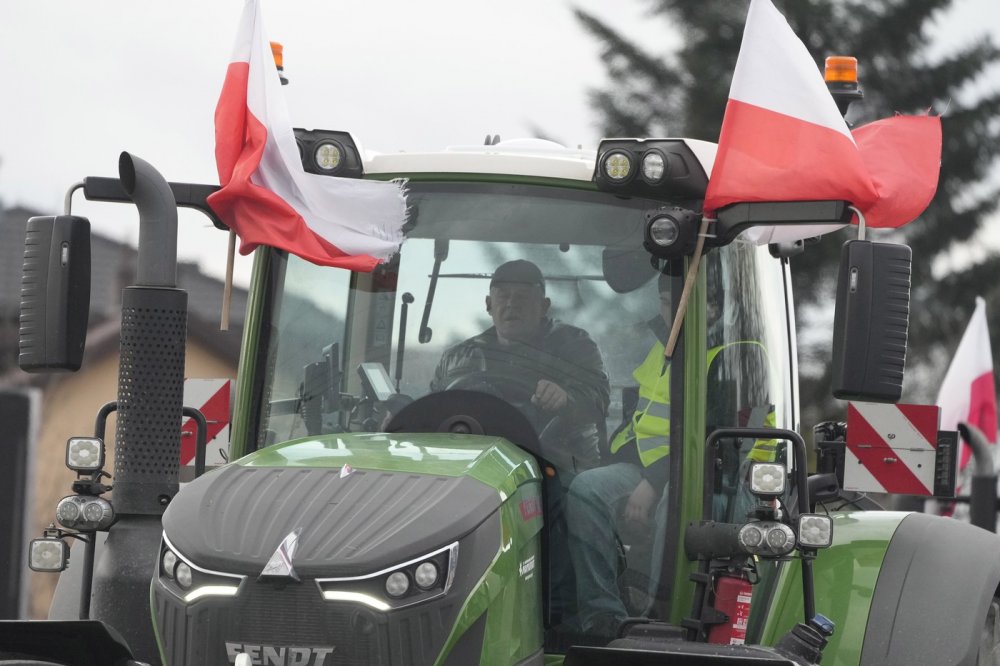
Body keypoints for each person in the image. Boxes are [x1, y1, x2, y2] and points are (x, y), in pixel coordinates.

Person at [431, 259, 610, 473]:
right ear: (489, 304)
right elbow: (432, 411)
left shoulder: (575, 346)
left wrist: (565, 399)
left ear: (544, 306)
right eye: (503, 296)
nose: (511, 304)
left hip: (556, 468)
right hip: (475, 466)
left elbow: (598, 400)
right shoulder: (457, 357)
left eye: (522, 297)